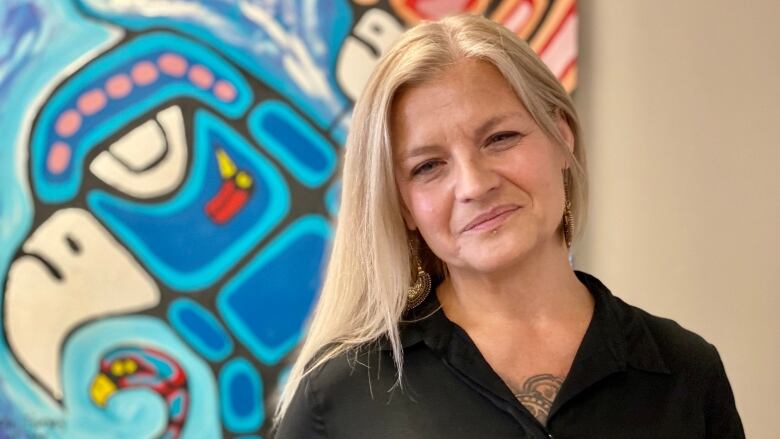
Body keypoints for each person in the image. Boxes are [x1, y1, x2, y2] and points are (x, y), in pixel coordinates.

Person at [273, 14, 744, 439]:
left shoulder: (686, 371)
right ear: (403, 207)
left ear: (561, 136)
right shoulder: (339, 395)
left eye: (500, 138)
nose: (474, 185)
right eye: (428, 166)